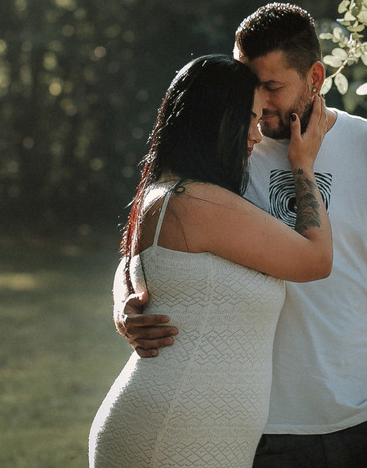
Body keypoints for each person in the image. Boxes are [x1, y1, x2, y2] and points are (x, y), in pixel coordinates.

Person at [115, 3, 367, 468]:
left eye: (272, 86)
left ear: (314, 77)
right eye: (249, 83)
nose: (260, 100)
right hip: (259, 427)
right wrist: (125, 305)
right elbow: (154, 233)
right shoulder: (228, 153)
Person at [89, 54, 332, 468]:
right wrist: (303, 165)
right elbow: (316, 259)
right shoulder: (194, 200)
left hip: (184, 431)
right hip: (174, 434)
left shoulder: (170, 192)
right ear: (216, 118)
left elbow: (137, 266)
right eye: (250, 119)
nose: (257, 134)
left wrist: (121, 302)